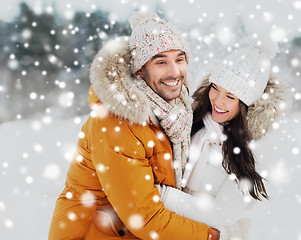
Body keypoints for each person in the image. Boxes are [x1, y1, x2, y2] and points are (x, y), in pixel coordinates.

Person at [48, 12, 220, 240]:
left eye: (179, 59)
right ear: (140, 70)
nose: (175, 72)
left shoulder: (177, 112)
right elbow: (144, 216)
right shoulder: (115, 123)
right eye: (161, 62)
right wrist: (210, 236)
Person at [155, 37, 292, 239]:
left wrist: (163, 196)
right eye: (215, 88)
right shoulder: (192, 118)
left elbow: (223, 213)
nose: (217, 101)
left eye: (230, 97)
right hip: (165, 227)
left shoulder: (255, 149)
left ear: (246, 104)